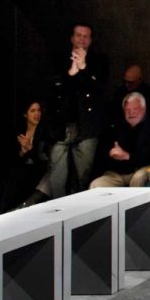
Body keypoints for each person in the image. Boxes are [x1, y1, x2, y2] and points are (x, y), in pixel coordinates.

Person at [42, 24, 107, 198]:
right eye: (78, 35)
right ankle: (58, 214)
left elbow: (99, 90)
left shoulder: (98, 62)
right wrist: (71, 72)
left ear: (91, 40)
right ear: (72, 38)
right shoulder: (59, 60)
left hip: (86, 127)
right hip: (61, 126)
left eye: (86, 36)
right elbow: (52, 89)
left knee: (82, 177)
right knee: (57, 178)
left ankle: (79, 216)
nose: (82, 39)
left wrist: (84, 67)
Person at [90, 92, 150, 189]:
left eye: (135, 109)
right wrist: (111, 153)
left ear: (143, 109)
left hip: (141, 169)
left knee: (138, 178)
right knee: (96, 184)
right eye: (128, 110)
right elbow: (103, 153)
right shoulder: (117, 126)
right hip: (118, 173)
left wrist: (128, 156)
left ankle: (135, 205)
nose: (131, 113)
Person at [0, 101, 48, 212]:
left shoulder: (44, 132)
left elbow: (43, 160)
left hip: (38, 170)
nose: (37, 114)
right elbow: (13, 158)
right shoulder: (20, 132)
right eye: (33, 111)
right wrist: (22, 151)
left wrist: (30, 150)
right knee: (11, 173)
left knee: (17, 175)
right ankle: (0, 210)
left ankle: (4, 210)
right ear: (25, 114)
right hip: (22, 169)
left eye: (39, 110)